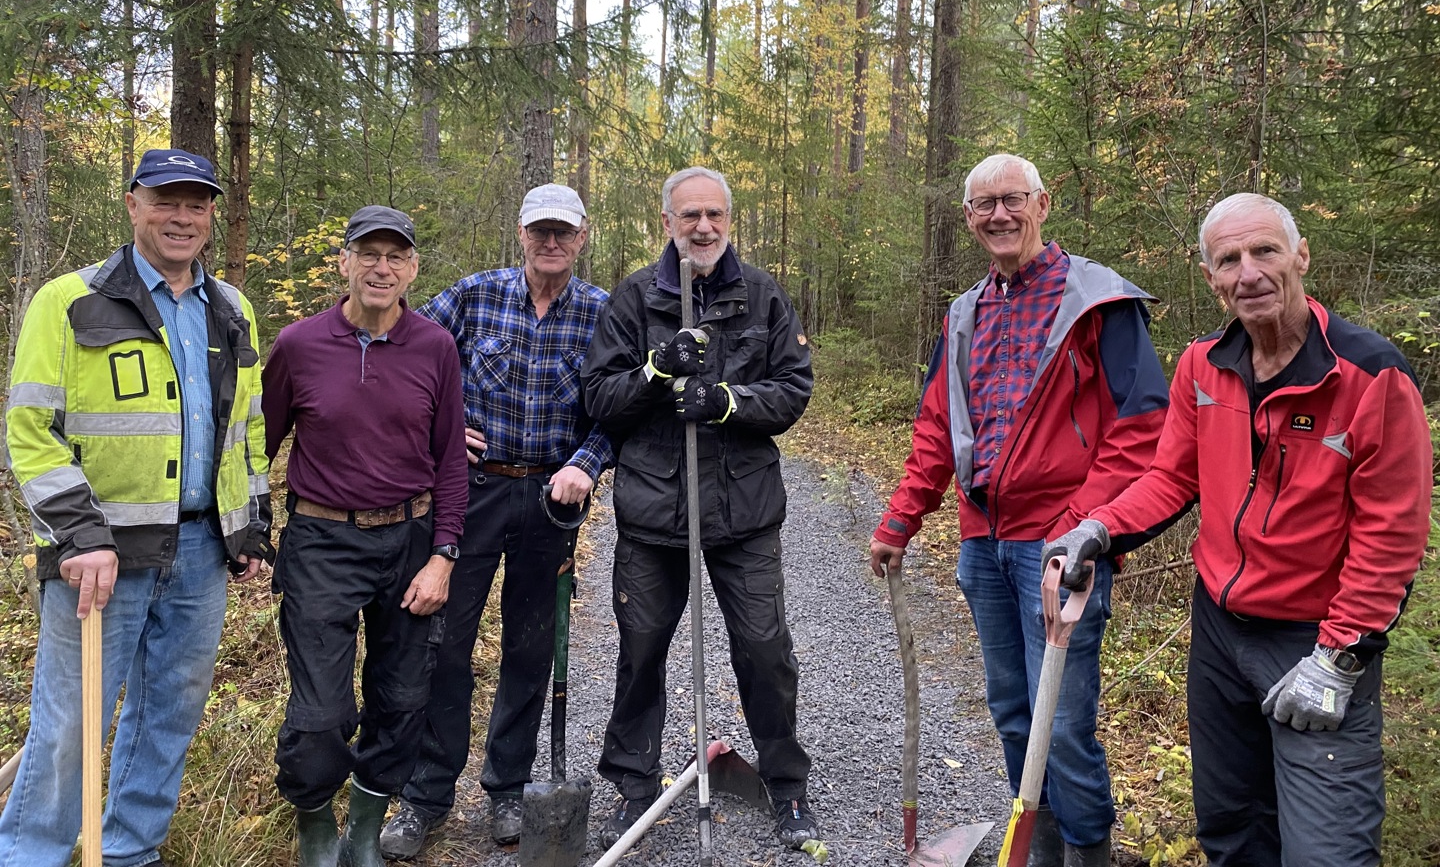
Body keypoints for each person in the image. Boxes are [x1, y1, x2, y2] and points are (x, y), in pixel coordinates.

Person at [1044, 192, 1432, 867]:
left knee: (1326, 853)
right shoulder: (1203, 365)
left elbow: (1391, 535)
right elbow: (1171, 478)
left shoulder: (1369, 376)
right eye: (1229, 259)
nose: (1248, 272)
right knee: (1232, 830)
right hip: (1219, 637)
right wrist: (1098, 528)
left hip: (1313, 642)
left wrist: (1339, 659)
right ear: (1212, 279)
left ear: (1301, 256)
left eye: (1264, 251)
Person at [869, 153, 1169, 867]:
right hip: (984, 546)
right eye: (983, 205)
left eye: (1012, 200)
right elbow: (939, 429)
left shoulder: (1099, 301)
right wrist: (899, 521)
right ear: (968, 218)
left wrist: (1083, 528)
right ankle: (1040, 849)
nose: (999, 215)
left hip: (1061, 548)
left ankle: (1089, 855)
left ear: (1043, 203)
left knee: (1061, 725)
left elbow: (1141, 429)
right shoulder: (966, 312)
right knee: (1012, 713)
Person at [0, 149, 272, 867]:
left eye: (196, 203)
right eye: (165, 200)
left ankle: (128, 851)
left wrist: (248, 527)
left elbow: (245, 430)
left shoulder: (232, 309)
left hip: (200, 555)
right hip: (100, 557)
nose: (181, 217)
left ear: (212, 213)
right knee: (70, 723)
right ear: (132, 203)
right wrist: (81, 536)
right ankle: (30, 854)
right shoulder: (69, 300)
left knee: (169, 716)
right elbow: (29, 431)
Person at [580, 165, 820, 852]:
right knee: (642, 648)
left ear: (729, 219)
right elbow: (599, 396)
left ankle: (786, 781)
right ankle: (634, 784)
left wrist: (726, 403)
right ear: (667, 223)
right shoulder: (632, 298)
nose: (703, 227)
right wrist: (656, 374)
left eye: (714, 215)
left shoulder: (762, 295)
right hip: (655, 511)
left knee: (764, 647)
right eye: (690, 216)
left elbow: (792, 392)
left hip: (743, 511)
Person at [379, 184, 612, 858]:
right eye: (540, 230)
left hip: (551, 503)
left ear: (581, 236)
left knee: (530, 649)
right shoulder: (474, 297)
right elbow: (404, 359)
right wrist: (439, 430)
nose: (551, 242)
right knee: (443, 643)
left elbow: (618, 412)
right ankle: (427, 794)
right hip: (470, 492)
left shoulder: (601, 314)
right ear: (521, 231)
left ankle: (508, 787)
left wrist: (586, 464)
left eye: (563, 231)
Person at [262, 206, 468, 867]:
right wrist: (242, 532)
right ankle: (317, 826)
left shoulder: (434, 346)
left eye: (395, 257)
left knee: (403, 699)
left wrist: (443, 555)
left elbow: (451, 464)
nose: (382, 267)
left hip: (408, 542)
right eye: (368, 253)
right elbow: (254, 448)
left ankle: (363, 831)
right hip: (320, 540)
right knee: (320, 715)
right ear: (344, 262)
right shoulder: (298, 346)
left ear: (411, 270)